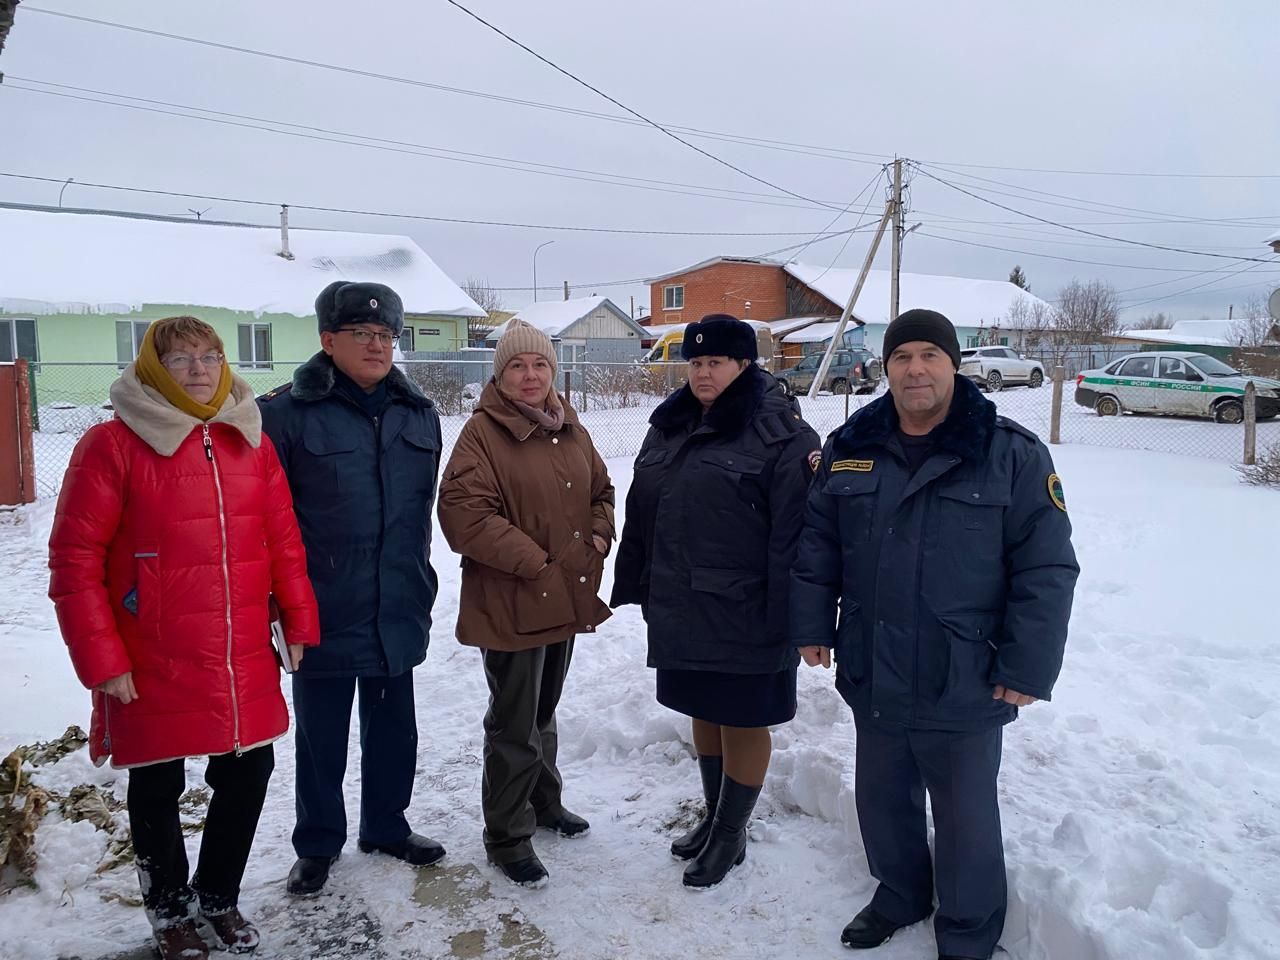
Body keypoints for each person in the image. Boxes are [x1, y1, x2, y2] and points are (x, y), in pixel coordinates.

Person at [791, 309, 1079, 960]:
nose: (915, 369)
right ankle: (899, 893)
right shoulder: (851, 447)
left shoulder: (1010, 453)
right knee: (882, 798)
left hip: (966, 671)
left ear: (954, 363)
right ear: (885, 367)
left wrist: (1027, 665)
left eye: (929, 355)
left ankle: (969, 931)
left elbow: (1047, 567)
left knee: (966, 817)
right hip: (873, 660)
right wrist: (812, 622)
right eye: (902, 357)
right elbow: (818, 541)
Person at [48, 316, 320, 960]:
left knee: (249, 767)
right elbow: (74, 561)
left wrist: (299, 620)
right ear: (150, 369)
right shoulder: (111, 445)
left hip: (239, 646)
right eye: (179, 360)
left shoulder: (249, 439)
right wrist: (103, 660)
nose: (198, 369)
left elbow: (282, 540)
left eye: (209, 355)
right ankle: (169, 911)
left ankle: (218, 898)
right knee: (158, 782)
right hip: (151, 652)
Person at [612, 314, 820, 889]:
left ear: (745, 365)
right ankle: (715, 818)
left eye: (716, 362)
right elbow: (645, 510)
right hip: (682, 601)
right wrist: (637, 582)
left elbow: (797, 536)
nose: (703, 372)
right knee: (703, 708)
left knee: (744, 718)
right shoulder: (671, 424)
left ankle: (732, 833)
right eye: (696, 362)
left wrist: (793, 619)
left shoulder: (783, 434)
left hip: (749, 609)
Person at [258, 281, 446, 896]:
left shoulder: (418, 412)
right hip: (322, 604)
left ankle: (386, 824)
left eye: (386, 335)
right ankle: (317, 843)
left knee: (395, 727)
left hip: (397, 597)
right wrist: (278, 603)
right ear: (327, 340)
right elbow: (266, 519)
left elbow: (419, 511)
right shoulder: (283, 414)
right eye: (361, 334)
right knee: (322, 735)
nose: (376, 345)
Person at [437, 319, 614, 888]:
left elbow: (601, 493)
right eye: (517, 366)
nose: (531, 375)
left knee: (543, 710)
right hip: (513, 598)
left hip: (564, 596)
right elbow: (466, 517)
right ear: (500, 374)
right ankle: (507, 834)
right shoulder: (482, 435)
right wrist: (538, 562)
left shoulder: (568, 427)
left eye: (539, 364)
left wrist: (599, 537)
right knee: (514, 720)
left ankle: (543, 804)